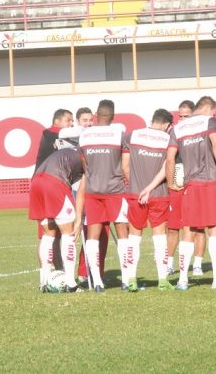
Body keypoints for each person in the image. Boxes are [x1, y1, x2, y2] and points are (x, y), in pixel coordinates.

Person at [166, 96, 216, 290]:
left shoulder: (178, 127)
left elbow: (170, 158)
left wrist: (171, 182)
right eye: (215, 112)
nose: (215, 115)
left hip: (190, 184)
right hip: (211, 181)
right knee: (215, 229)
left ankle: (183, 280)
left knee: (189, 230)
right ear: (210, 109)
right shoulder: (210, 121)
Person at [77, 100, 129, 292]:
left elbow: (85, 166)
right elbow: (125, 166)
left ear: (96, 115)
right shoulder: (120, 135)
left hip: (93, 191)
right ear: (113, 116)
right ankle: (126, 279)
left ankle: (97, 281)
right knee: (123, 234)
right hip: (116, 190)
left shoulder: (84, 135)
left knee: (93, 235)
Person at [122, 109, 174, 291]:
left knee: (134, 237)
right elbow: (167, 168)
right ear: (168, 125)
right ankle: (162, 280)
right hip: (158, 193)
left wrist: (136, 186)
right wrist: (149, 188)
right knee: (160, 237)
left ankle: (131, 280)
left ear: (151, 120)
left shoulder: (132, 135)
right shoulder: (168, 139)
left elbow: (125, 166)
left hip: (135, 193)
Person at [29, 143, 84, 292]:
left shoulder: (69, 152)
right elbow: (81, 192)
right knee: (68, 233)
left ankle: (44, 282)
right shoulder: (87, 156)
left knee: (48, 234)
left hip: (36, 182)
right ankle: (71, 284)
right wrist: (78, 218)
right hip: (54, 182)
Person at [166, 100, 208, 277]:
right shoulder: (173, 133)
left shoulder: (201, 133)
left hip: (196, 185)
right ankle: (169, 263)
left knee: (198, 227)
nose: (182, 119)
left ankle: (197, 264)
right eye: (180, 116)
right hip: (177, 185)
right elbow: (168, 160)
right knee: (173, 227)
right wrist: (171, 181)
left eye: (187, 116)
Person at [33, 108, 74, 272]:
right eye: (68, 120)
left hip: (51, 186)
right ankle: (48, 272)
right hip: (46, 187)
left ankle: (58, 272)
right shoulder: (51, 133)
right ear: (57, 121)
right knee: (47, 234)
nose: (71, 124)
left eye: (72, 121)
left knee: (54, 233)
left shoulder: (61, 137)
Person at [74, 107, 110, 286]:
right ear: (77, 122)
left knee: (99, 233)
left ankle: (94, 272)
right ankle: (81, 273)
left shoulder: (95, 137)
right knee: (85, 233)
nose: (88, 124)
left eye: (90, 120)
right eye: (84, 120)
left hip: (94, 189)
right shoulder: (74, 137)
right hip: (80, 191)